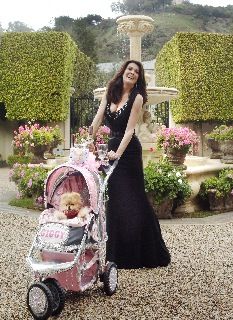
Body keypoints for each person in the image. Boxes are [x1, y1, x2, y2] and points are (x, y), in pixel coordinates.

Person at [90, 60, 171, 269]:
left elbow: (129, 131)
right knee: (116, 200)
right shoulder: (111, 91)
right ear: (123, 72)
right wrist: (89, 137)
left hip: (128, 151)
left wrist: (117, 153)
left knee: (135, 199)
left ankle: (147, 252)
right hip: (111, 149)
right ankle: (117, 254)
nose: (132, 73)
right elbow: (98, 118)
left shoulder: (137, 97)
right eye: (130, 69)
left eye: (136, 71)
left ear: (138, 77)